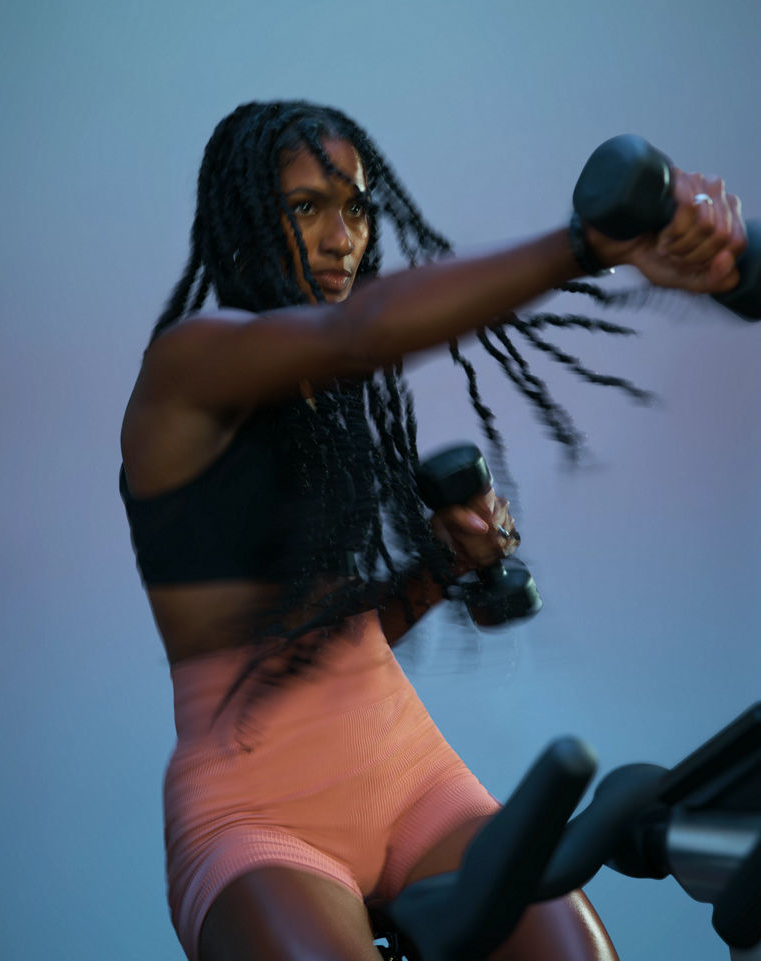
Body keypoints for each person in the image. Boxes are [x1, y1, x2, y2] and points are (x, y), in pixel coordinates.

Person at [120, 101, 745, 961]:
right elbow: (357, 333)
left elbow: (333, 637)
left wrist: (446, 564)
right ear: (241, 221)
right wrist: (588, 246)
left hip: (408, 771)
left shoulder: (328, 411)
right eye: (307, 208)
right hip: (255, 811)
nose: (343, 237)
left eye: (356, 207)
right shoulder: (189, 364)